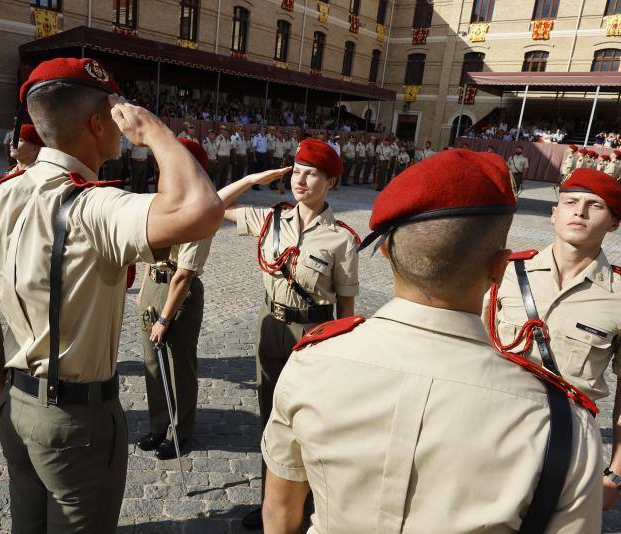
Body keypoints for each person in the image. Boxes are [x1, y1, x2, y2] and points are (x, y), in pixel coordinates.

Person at [262, 149, 602, 533]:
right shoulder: (564, 426)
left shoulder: (311, 364)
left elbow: (280, 512)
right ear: (499, 267)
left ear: (387, 252)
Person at [0, 57, 224, 532]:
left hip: (18, 403)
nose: (124, 129)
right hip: (76, 420)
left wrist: (1, 394)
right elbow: (201, 208)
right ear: (98, 123)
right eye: (118, 114)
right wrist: (156, 130)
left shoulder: (2, 195)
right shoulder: (93, 205)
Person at [218, 139, 360, 530]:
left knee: (307, 422)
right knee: (269, 416)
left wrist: (339, 355)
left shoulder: (341, 239)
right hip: (270, 326)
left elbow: (346, 309)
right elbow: (211, 206)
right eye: (297, 170)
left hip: (313, 332)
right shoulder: (269, 219)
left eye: (312, 173)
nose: (301, 179)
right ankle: (271, 502)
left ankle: (306, 501)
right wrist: (252, 177)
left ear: (330, 181)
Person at [485, 167, 621, 511]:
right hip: (487, 432)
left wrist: (616, 475)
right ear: (553, 213)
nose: (580, 211)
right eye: (570, 201)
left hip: (565, 443)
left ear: (614, 223)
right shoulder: (506, 271)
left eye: (596, 205)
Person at [137, 138, 213, 460]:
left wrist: (165, 318)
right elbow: (148, 251)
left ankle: (180, 433)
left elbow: (184, 275)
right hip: (154, 286)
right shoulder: (159, 203)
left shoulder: (201, 210)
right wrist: (144, 291)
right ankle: (158, 425)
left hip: (179, 293)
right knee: (153, 364)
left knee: (179, 366)